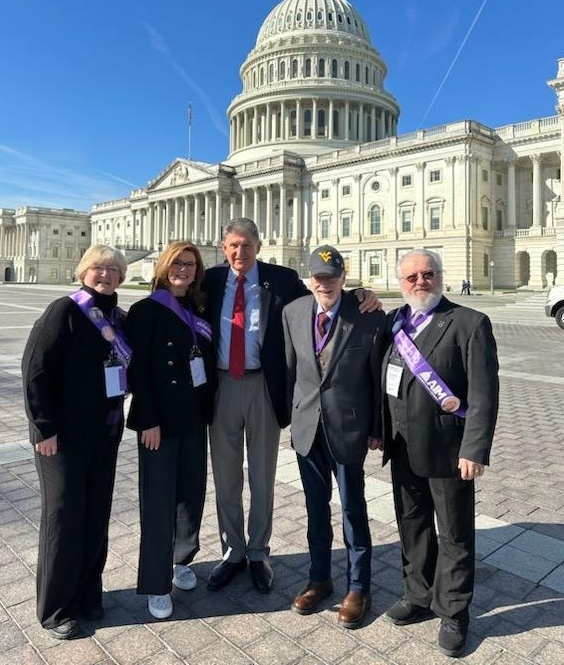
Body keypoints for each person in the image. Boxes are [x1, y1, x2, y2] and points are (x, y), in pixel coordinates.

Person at [203, 218, 378, 594]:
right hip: (221, 385)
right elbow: (176, 295)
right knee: (225, 476)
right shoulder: (211, 280)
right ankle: (232, 552)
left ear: (258, 246)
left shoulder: (280, 279)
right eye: (233, 245)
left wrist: (361, 293)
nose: (239, 252)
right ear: (223, 247)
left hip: (263, 386)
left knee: (262, 475)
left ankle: (257, 552)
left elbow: (325, 291)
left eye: (246, 245)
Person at [381, 249, 499, 657]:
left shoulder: (469, 323)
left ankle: (453, 610)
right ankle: (419, 595)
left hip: (449, 449)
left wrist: (475, 449)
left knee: (454, 533)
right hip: (401, 445)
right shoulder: (395, 322)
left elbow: (484, 394)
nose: (420, 282)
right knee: (412, 524)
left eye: (428, 274)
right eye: (412, 277)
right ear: (401, 282)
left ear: (440, 276)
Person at [22, 244, 130, 639]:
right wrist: (43, 428)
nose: (106, 275)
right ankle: (56, 608)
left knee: (96, 513)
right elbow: (35, 370)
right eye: (98, 268)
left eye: (113, 270)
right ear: (83, 271)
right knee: (64, 518)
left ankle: (88, 593)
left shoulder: (120, 318)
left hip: (105, 431)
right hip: (62, 438)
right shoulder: (64, 311)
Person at [283, 246, 385, 629]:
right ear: (310, 279)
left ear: (344, 277)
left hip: (349, 427)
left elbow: (376, 376)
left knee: (352, 510)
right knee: (315, 509)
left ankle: (358, 587)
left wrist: (377, 427)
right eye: (318, 277)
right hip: (307, 428)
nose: (325, 284)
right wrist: (289, 417)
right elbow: (289, 370)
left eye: (332, 277)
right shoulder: (293, 312)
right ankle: (319, 579)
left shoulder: (367, 313)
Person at [126, 242, 215, 619]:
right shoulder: (145, 310)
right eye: (177, 263)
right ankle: (155, 581)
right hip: (158, 422)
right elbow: (138, 370)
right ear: (164, 266)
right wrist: (147, 419)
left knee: (190, 493)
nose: (184, 269)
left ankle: (181, 560)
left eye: (190, 264)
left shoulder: (199, 308)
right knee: (159, 501)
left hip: (194, 416)